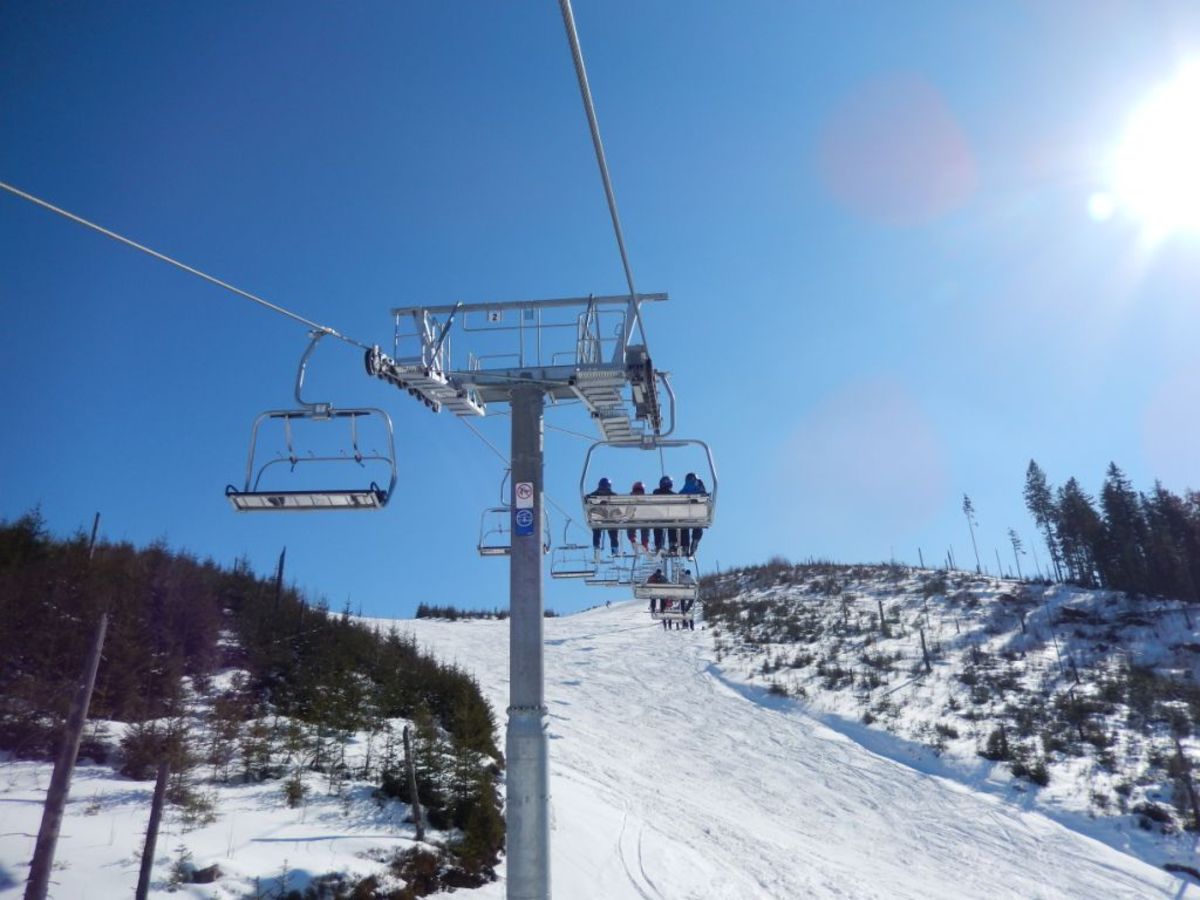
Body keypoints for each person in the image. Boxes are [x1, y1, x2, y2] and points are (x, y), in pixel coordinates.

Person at [586, 477, 620, 560]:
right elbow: (587, 499)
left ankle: (614, 549)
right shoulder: (594, 495)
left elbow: (618, 506)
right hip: (599, 517)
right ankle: (597, 548)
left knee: (613, 532)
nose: (603, 492)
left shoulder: (612, 495)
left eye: (605, 490)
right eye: (602, 490)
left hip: (609, 518)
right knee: (597, 529)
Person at [678, 472, 708, 557]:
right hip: (696, 513)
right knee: (698, 527)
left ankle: (686, 546)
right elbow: (704, 496)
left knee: (684, 528)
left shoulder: (683, 490)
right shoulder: (699, 487)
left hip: (685, 514)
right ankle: (694, 543)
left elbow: (679, 498)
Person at [652, 475, 679, 555]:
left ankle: (660, 545)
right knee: (671, 526)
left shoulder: (656, 492)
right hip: (665, 515)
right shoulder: (673, 494)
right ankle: (671, 544)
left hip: (663, 516)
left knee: (660, 527)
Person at [626, 481, 650, 554]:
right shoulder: (630, 501)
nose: (638, 493)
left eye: (640, 491)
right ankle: (633, 540)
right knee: (630, 524)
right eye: (637, 491)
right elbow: (627, 511)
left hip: (642, 518)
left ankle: (644, 543)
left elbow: (648, 510)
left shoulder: (644, 501)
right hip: (632, 518)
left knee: (645, 525)